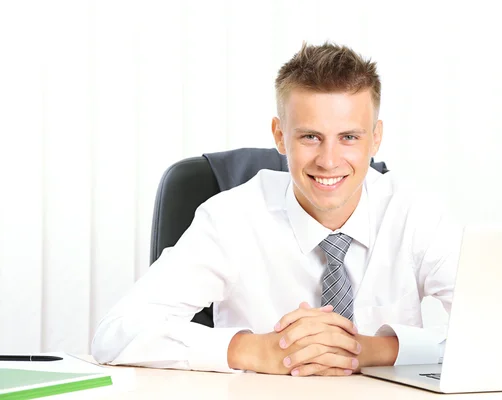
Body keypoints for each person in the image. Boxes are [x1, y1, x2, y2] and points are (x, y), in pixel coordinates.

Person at [91, 42, 463, 377]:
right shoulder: (230, 219)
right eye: (310, 137)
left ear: (376, 138)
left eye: (349, 137)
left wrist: (369, 350)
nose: (329, 160)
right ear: (280, 136)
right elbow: (116, 333)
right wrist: (254, 349)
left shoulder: (417, 216)